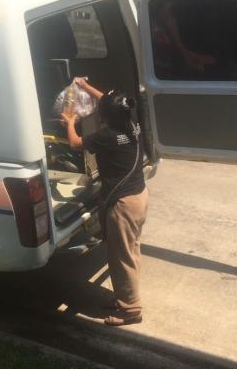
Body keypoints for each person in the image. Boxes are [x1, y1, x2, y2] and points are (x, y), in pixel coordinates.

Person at [61, 77, 148, 327]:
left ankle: (130, 310)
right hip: (138, 197)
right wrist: (85, 87)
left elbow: (75, 143)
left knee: (122, 257)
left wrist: (70, 122)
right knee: (130, 252)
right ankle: (124, 297)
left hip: (123, 205)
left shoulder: (107, 135)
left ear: (106, 115)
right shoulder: (131, 123)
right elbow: (108, 102)